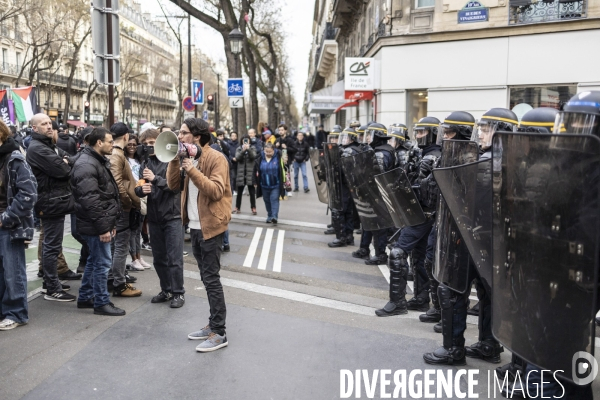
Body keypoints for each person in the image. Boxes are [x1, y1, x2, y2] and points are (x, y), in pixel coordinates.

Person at [167, 118, 232, 352]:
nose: (179, 136)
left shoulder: (216, 158)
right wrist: (176, 162)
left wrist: (192, 170)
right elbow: (173, 185)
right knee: (206, 278)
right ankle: (212, 324)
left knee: (211, 279)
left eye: (183, 133)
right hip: (194, 225)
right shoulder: (186, 157)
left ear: (197, 136)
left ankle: (220, 332)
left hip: (211, 225)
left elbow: (216, 191)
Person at [71, 127, 125, 316]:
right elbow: (91, 200)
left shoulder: (94, 160)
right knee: (102, 263)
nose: (113, 144)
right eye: (110, 141)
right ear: (99, 143)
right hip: (95, 224)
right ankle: (101, 302)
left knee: (94, 261)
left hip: (98, 222)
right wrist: (104, 228)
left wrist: (110, 224)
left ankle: (86, 297)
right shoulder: (87, 164)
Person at [26, 113, 76, 302]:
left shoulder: (48, 145)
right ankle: (52, 287)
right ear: (35, 128)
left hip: (55, 200)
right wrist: (64, 163)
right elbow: (64, 170)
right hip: (50, 202)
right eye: (44, 124)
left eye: (49, 123)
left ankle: (51, 282)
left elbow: (71, 160)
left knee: (52, 244)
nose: (49, 126)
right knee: (51, 245)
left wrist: (65, 162)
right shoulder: (38, 148)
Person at [134, 128, 185, 308]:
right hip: (154, 217)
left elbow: (175, 186)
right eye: (145, 143)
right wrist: (141, 190)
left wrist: (155, 179)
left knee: (174, 258)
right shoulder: (145, 163)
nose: (148, 146)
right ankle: (166, 289)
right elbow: (139, 186)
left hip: (172, 216)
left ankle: (178, 292)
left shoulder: (172, 161)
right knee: (159, 258)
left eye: (151, 143)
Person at [0, 121, 37, 330]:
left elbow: (29, 194)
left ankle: (16, 313)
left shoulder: (14, 159)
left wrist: (6, 217)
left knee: (13, 271)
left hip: (9, 225)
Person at [108, 122, 142, 297]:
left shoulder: (117, 153)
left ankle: (115, 278)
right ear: (126, 136)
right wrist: (128, 202)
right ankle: (119, 283)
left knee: (117, 245)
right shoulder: (117, 154)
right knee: (120, 245)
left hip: (121, 206)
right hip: (122, 208)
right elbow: (117, 184)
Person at [125, 134, 150, 272]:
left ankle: (139, 257)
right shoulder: (124, 160)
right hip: (131, 196)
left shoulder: (141, 160)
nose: (132, 147)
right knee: (132, 230)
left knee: (139, 230)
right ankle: (134, 258)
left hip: (142, 196)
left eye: (135, 145)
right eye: (129, 144)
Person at [255, 142, 284, 224]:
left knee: (274, 200)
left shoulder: (278, 157)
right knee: (267, 201)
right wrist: (255, 181)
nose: (268, 153)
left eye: (270, 152)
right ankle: (269, 215)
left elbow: (284, 168)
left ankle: (274, 216)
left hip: (276, 184)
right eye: (266, 151)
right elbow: (255, 170)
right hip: (264, 184)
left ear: (273, 150)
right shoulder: (260, 157)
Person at [232, 134, 257, 215]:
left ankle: (253, 207)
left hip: (250, 173)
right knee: (239, 192)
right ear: (241, 141)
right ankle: (237, 207)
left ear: (249, 141)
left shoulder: (252, 148)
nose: (245, 141)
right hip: (241, 173)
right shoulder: (239, 149)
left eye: (247, 140)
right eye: (244, 140)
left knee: (252, 192)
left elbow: (253, 156)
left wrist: (248, 149)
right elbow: (237, 158)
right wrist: (243, 150)